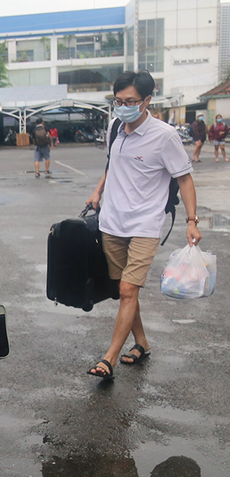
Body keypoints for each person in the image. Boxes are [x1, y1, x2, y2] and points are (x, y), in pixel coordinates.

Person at [85, 70, 202, 380]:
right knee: (124, 290)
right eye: (118, 101)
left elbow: (184, 179)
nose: (122, 107)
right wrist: (98, 191)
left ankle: (108, 359)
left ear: (147, 100)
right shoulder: (114, 127)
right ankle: (142, 343)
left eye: (130, 101)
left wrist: (192, 221)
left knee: (127, 289)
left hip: (145, 226)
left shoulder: (165, 136)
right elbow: (112, 165)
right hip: (111, 223)